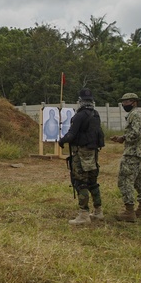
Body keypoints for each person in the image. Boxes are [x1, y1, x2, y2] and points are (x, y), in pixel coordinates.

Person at [59, 88, 105, 225]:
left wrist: (62, 141)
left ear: (80, 101)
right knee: (93, 182)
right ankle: (98, 211)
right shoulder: (95, 114)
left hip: (80, 153)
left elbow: (72, 134)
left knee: (81, 182)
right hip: (93, 153)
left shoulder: (79, 115)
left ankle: (84, 214)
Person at [111, 93, 141, 222]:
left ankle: (129, 211)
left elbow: (136, 133)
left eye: (127, 102)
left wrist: (125, 138)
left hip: (134, 153)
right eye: (123, 102)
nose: (124, 104)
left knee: (125, 180)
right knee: (140, 181)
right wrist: (122, 138)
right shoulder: (137, 115)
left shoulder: (135, 114)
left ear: (134, 102)